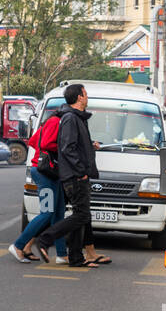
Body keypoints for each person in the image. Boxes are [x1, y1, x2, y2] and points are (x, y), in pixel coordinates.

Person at [36, 84, 101, 268]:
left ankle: (76, 258)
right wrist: (81, 172)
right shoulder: (71, 118)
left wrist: (89, 145)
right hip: (75, 176)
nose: (87, 97)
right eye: (86, 94)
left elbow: (75, 144)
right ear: (80, 97)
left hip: (77, 174)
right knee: (81, 216)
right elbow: (67, 148)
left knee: (80, 215)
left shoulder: (77, 118)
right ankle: (45, 239)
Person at [9, 111, 67, 263]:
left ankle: (62, 254)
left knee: (58, 215)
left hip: (51, 173)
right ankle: (18, 245)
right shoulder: (55, 122)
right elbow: (45, 144)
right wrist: (62, 146)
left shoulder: (48, 123)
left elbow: (33, 141)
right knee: (47, 212)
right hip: (45, 173)